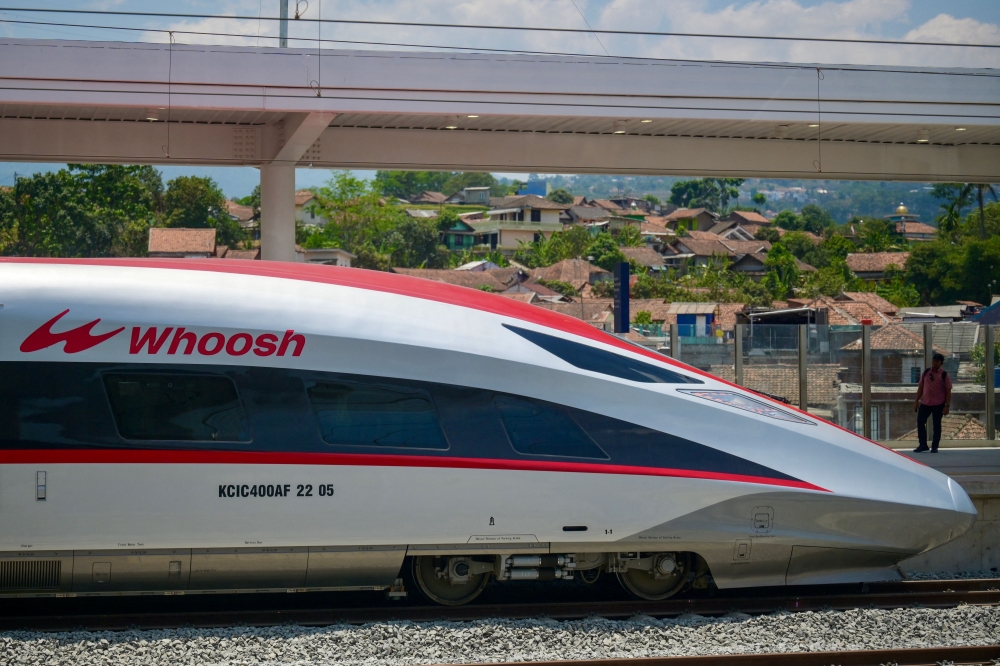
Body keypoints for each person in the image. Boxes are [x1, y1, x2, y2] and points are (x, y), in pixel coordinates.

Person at [913, 353, 952, 453]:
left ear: (941, 363)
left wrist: (947, 406)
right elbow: (921, 387)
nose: (935, 362)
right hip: (925, 402)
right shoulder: (926, 372)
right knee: (920, 421)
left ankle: (935, 446)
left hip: (938, 404)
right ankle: (923, 444)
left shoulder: (944, 375)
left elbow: (948, 391)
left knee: (936, 424)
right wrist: (916, 401)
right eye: (934, 360)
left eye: (937, 361)